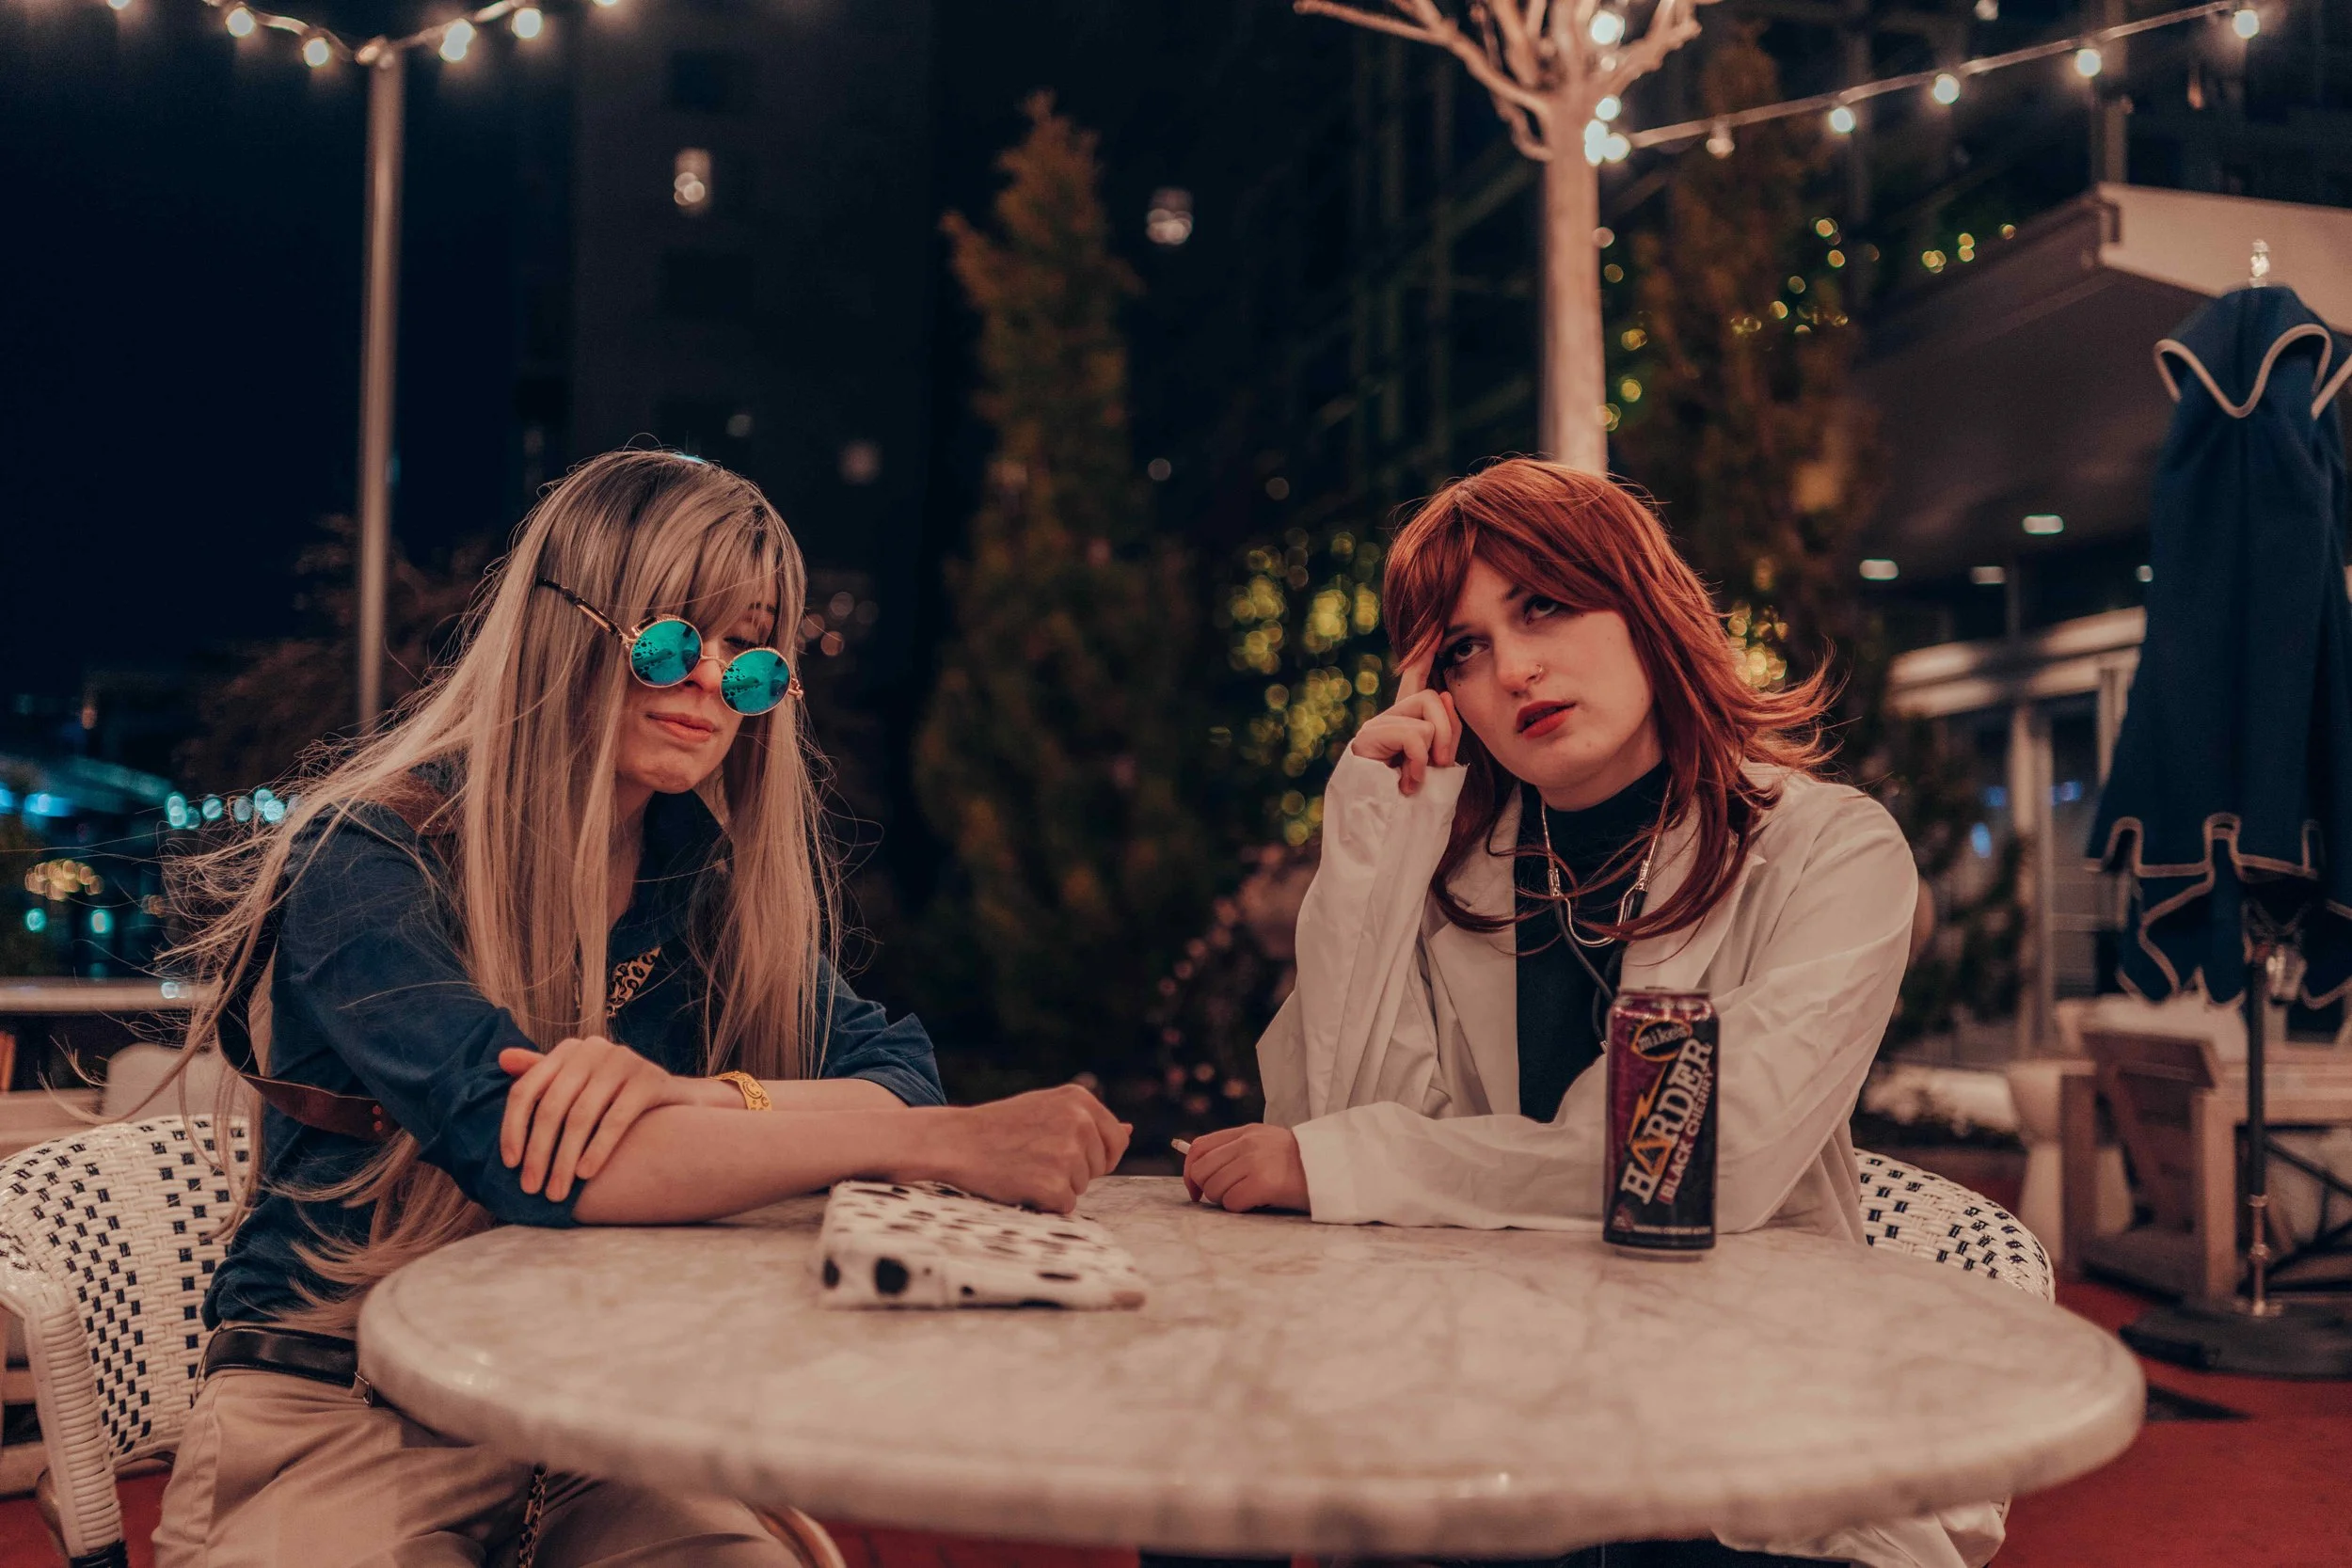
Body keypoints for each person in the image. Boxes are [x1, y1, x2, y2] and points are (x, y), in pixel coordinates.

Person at [155, 451, 1128, 1567]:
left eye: (751, 657)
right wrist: (945, 1145)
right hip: (342, 1412)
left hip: (591, 1419)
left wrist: (696, 1093)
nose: (711, 682)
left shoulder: (700, 886)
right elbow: (542, 1160)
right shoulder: (370, 857)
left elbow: (891, 1064)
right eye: (670, 636)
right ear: (565, 626)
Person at [1180, 460, 2000, 1568]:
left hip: (1732, 1445)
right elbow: (1328, 1115)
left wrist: (1341, 1159)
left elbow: (1702, 1163)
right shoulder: (1448, 876)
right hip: (1492, 1411)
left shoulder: (1828, 848)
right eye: (1462, 647)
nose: (1512, 666)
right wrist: (1376, 831)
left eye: (1544, 604)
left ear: (1644, 602)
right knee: (1197, 1503)